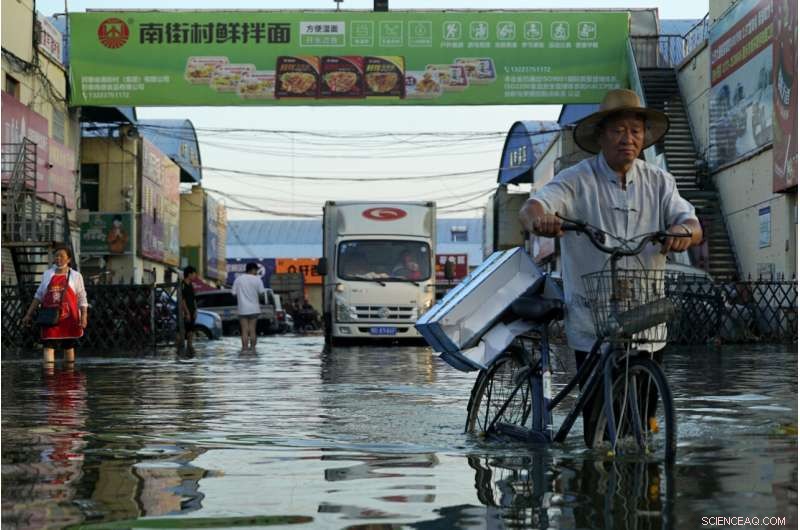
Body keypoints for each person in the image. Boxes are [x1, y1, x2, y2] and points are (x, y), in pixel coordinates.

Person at [518, 88, 703, 446]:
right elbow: (533, 207)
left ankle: (644, 485)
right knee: (597, 425)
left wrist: (683, 232)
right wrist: (540, 220)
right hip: (593, 311)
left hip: (645, 313)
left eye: (635, 131)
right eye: (619, 130)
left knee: (646, 420)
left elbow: (690, 221)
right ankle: (596, 480)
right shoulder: (577, 178)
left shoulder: (659, 181)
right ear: (601, 135)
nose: (628, 138)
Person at [22, 245, 89, 364]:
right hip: (50, 316)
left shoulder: (76, 276)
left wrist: (83, 316)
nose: (58, 258)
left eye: (62, 256)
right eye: (56, 256)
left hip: (69, 317)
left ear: (69, 259)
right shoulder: (47, 274)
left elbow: (82, 298)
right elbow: (38, 296)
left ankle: (69, 378)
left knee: (68, 346)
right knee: (48, 345)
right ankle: (49, 377)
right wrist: (28, 314)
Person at [231, 262, 266, 352]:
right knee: (252, 330)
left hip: (242, 309)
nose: (257, 272)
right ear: (253, 269)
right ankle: (253, 350)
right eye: (256, 270)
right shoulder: (257, 280)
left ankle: (245, 350)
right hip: (254, 309)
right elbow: (262, 293)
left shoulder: (238, 279)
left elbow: (233, 293)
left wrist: (241, 297)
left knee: (244, 331)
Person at [179, 265, 198, 355]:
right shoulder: (182, 285)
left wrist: (195, 310)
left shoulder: (191, 285)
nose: (195, 276)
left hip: (192, 311)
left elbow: (194, 299)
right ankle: (182, 349)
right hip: (186, 312)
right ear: (189, 274)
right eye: (194, 274)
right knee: (183, 330)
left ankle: (190, 347)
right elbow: (182, 300)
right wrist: (187, 312)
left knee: (191, 330)